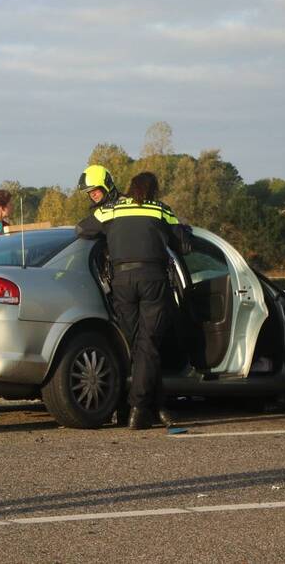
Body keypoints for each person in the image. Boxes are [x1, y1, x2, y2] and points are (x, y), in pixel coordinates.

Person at [76, 171, 190, 430]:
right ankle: (138, 407)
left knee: (139, 346)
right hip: (153, 279)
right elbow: (184, 244)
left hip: (122, 283)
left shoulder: (111, 210)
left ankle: (158, 406)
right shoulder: (160, 209)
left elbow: (81, 229)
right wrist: (183, 230)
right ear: (154, 190)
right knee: (148, 344)